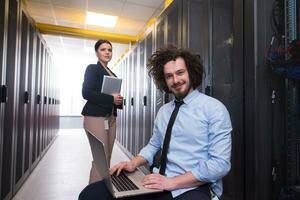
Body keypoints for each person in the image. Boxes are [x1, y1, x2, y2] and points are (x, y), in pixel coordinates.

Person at [79, 46, 232, 200]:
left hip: (195, 186)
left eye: (180, 73)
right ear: (164, 80)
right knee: (90, 194)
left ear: (191, 72)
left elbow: (220, 164)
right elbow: (154, 145)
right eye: (169, 76)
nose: (176, 80)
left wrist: (172, 182)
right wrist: (133, 163)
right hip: (159, 181)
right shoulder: (164, 111)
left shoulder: (214, 109)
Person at [81, 39, 123, 184]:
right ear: (97, 52)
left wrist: (118, 99)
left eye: (109, 50)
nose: (107, 52)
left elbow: (112, 97)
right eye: (103, 49)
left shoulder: (113, 74)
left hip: (111, 117)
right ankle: (93, 194)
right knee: (101, 159)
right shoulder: (92, 69)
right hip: (95, 117)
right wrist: (110, 99)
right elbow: (86, 93)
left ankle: (104, 190)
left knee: (107, 157)